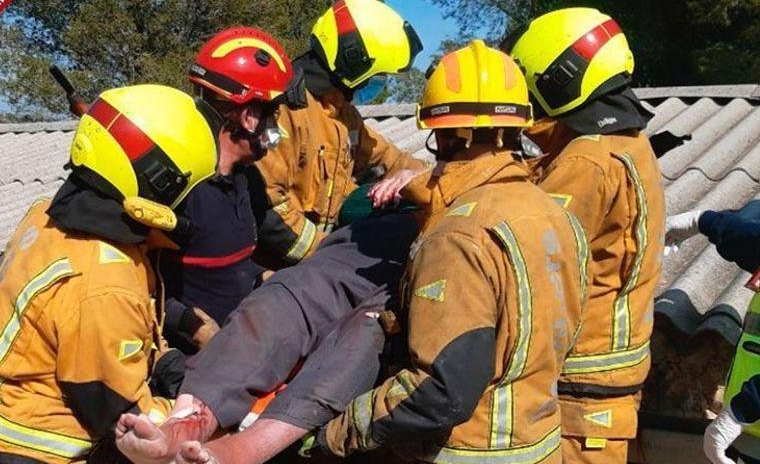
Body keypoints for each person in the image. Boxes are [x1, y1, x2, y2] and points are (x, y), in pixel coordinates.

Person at [120, 40, 589, 464]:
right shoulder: (557, 215)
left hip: (465, 450)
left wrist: (330, 437)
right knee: (298, 296)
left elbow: (439, 388)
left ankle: (240, 444)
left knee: (345, 316)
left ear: (444, 135)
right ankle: (191, 419)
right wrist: (419, 185)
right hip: (537, 442)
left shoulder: (455, 235)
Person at [0, 85, 220, 464]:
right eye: (187, 192)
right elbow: (126, 417)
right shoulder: (106, 282)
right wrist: (192, 413)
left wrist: (165, 361)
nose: (189, 206)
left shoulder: (46, 215)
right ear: (158, 182)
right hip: (32, 449)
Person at [115, 210, 418, 464]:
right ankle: (184, 422)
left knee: (365, 330)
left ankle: (242, 450)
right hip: (384, 235)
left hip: (404, 253)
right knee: (280, 303)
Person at [502, 7, 665, 463]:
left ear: (557, 80)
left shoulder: (585, 163)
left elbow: (524, 249)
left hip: (582, 390)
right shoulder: (629, 143)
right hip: (609, 381)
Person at [253, 0, 428, 267]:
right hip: (275, 265)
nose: (379, 84)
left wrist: (433, 179)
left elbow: (389, 159)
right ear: (353, 61)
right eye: (378, 76)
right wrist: (326, 253)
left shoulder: (344, 114)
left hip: (320, 256)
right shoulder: (286, 109)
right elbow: (268, 208)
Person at [158, 27, 300, 354]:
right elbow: (144, 289)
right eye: (272, 116)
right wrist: (194, 329)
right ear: (249, 117)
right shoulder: (182, 190)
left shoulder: (245, 180)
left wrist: (265, 277)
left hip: (244, 347)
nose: (276, 130)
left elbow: (228, 264)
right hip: (193, 367)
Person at [666, 201, 760, 464]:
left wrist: (740, 413)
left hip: (745, 419)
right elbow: (746, 239)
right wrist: (700, 221)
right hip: (748, 436)